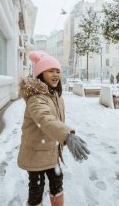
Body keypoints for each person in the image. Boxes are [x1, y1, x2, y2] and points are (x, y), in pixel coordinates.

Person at [18, 50, 90, 206]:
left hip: (51, 151)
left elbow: (55, 121)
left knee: (57, 183)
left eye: (58, 71)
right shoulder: (36, 98)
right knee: (36, 189)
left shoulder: (55, 96)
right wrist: (67, 135)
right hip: (36, 153)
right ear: (40, 73)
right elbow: (46, 120)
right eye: (51, 71)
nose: (55, 74)